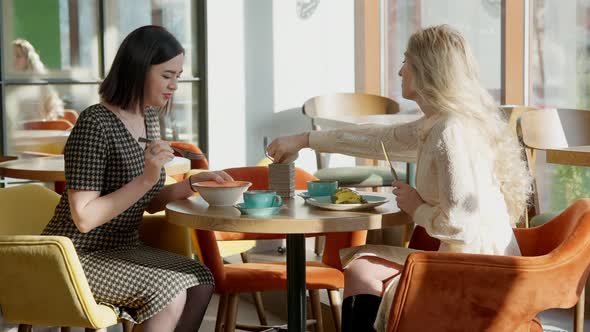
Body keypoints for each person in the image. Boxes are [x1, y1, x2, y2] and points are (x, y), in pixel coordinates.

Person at [267, 25, 532, 332]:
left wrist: (417, 206)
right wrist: (304, 139)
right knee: (362, 264)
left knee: (363, 267)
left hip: (480, 269)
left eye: (406, 62)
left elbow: (462, 224)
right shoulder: (439, 123)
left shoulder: (450, 131)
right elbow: (376, 138)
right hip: (468, 259)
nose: (399, 71)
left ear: (426, 70)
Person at [42, 25, 229, 332]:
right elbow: (84, 218)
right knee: (168, 291)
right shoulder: (95, 123)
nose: (174, 86)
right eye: (167, 75)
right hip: (76, 254)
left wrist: (194, 183)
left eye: (178, 76)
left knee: (200, 279)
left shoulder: (150, 118)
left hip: (123, 247)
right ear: (139, 69)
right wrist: (146, 177)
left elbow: (149, 201)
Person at [12, 38, 65, 121]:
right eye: (10, 56)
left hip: (37, 129)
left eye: (18, 56)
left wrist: (50, 117)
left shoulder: (41, 83)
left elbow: (55, 107)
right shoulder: (6, 83)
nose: (13, 59)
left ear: (28, 59)